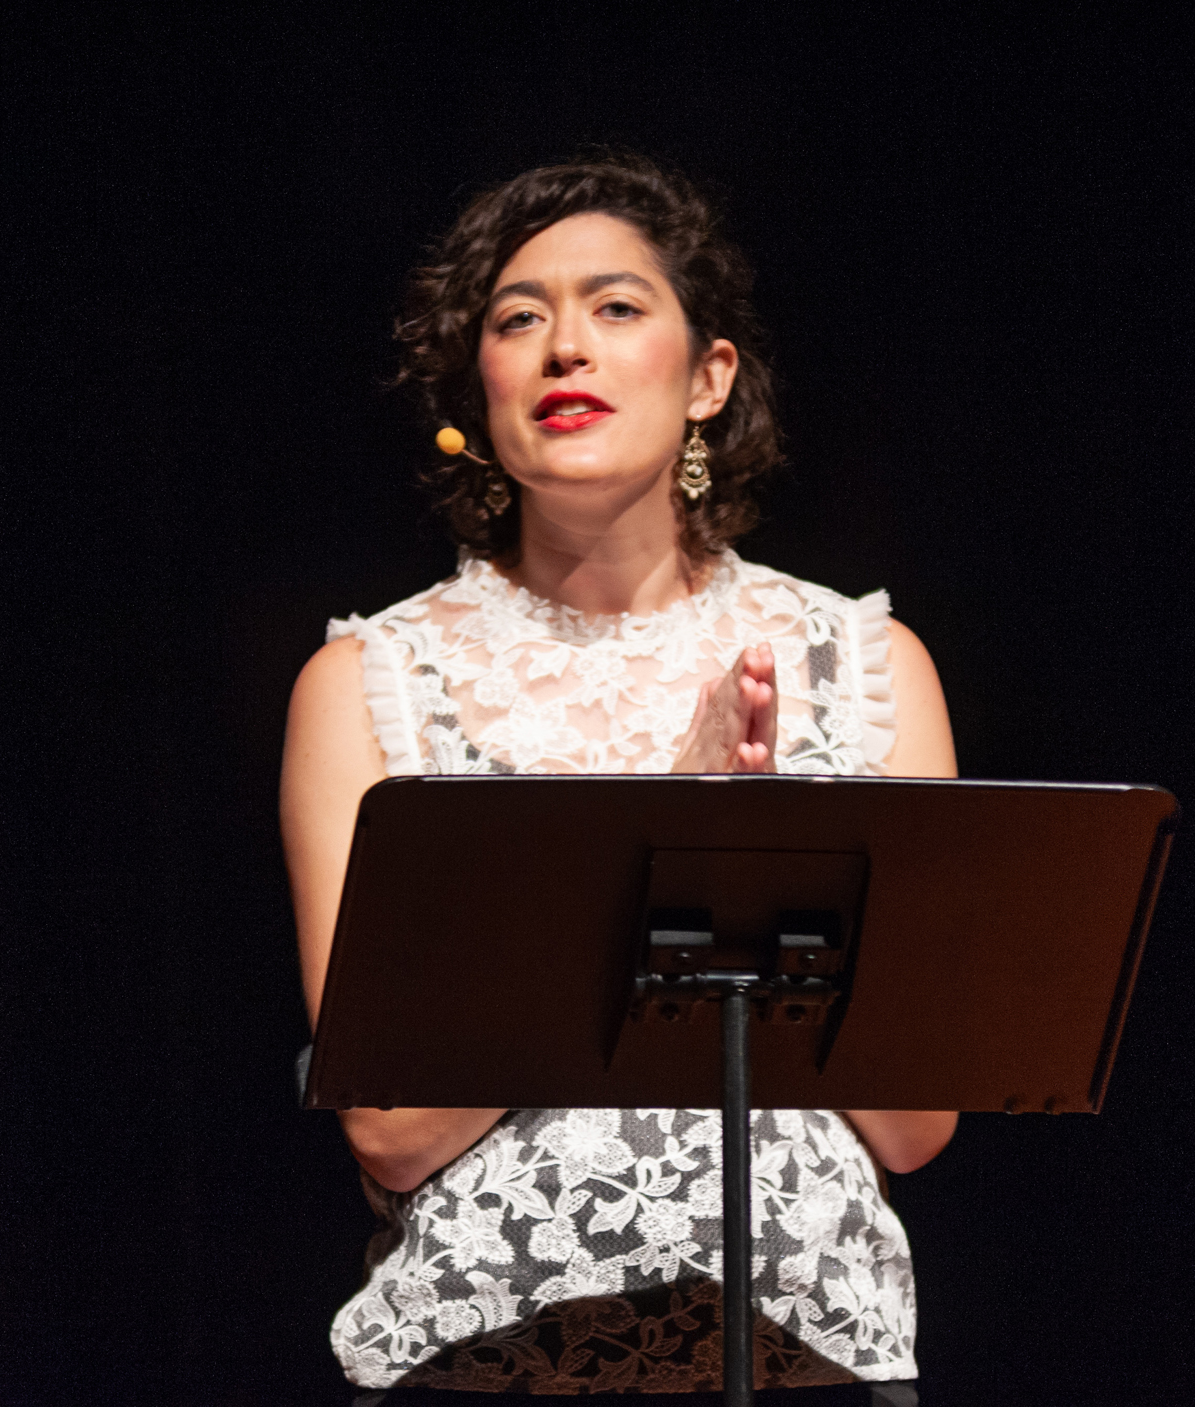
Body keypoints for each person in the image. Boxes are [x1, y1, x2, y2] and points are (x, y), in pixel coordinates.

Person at [281, 154, 959, 1404]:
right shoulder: (370, 681)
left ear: (709, 377)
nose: (564, 349)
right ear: (479, 390)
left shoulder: (862, 665)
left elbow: (917, 1128)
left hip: (805, 1357)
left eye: (616, 306)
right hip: (481, 1364)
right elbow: (391, 1128)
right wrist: (667, 840)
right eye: (517, 320)